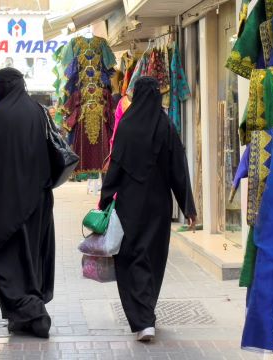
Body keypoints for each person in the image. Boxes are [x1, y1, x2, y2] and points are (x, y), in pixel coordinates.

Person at [99, 77, 197, 342]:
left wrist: (106, 199)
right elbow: (178, 167)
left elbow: (116, 165)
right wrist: (187, 205)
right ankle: (147, 314)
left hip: (130, 205)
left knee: (130, 258)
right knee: (152, 258)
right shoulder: (165, 126)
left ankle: (142, 318)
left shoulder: (127, 126)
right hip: (157, 206)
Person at [0, 68, 55, 338]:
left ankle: (31, 310)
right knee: (33, 256)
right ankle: (26, 315)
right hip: (38, 201)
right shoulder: (37, 111)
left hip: (6, 202)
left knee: (5, 257)